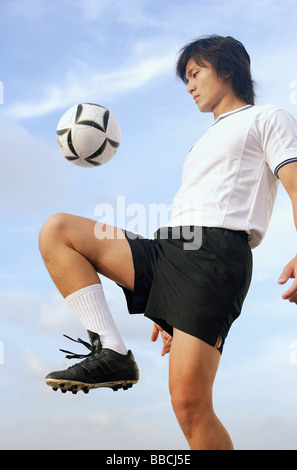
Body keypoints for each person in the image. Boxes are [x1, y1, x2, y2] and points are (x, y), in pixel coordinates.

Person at [39, 34, 297, 450]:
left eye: (195, 74)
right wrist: (167, 298)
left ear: (227, 69)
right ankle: (113, 353)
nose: (190, 86)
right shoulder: (202, 141)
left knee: (189, 406)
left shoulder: (267, 118)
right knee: (59, 231)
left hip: (213, 257)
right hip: (169, 251)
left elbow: (295, 185)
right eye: (187, 79)